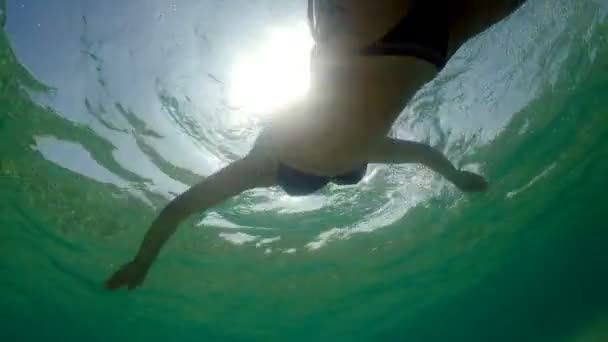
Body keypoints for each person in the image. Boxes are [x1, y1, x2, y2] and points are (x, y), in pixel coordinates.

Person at [106, 0, 526, 290]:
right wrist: (455, 178)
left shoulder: (273, 163)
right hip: (375, 41)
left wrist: (144, 262)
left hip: (417, 49)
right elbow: (180, 208)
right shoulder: (285, 159)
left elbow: (181, 208)